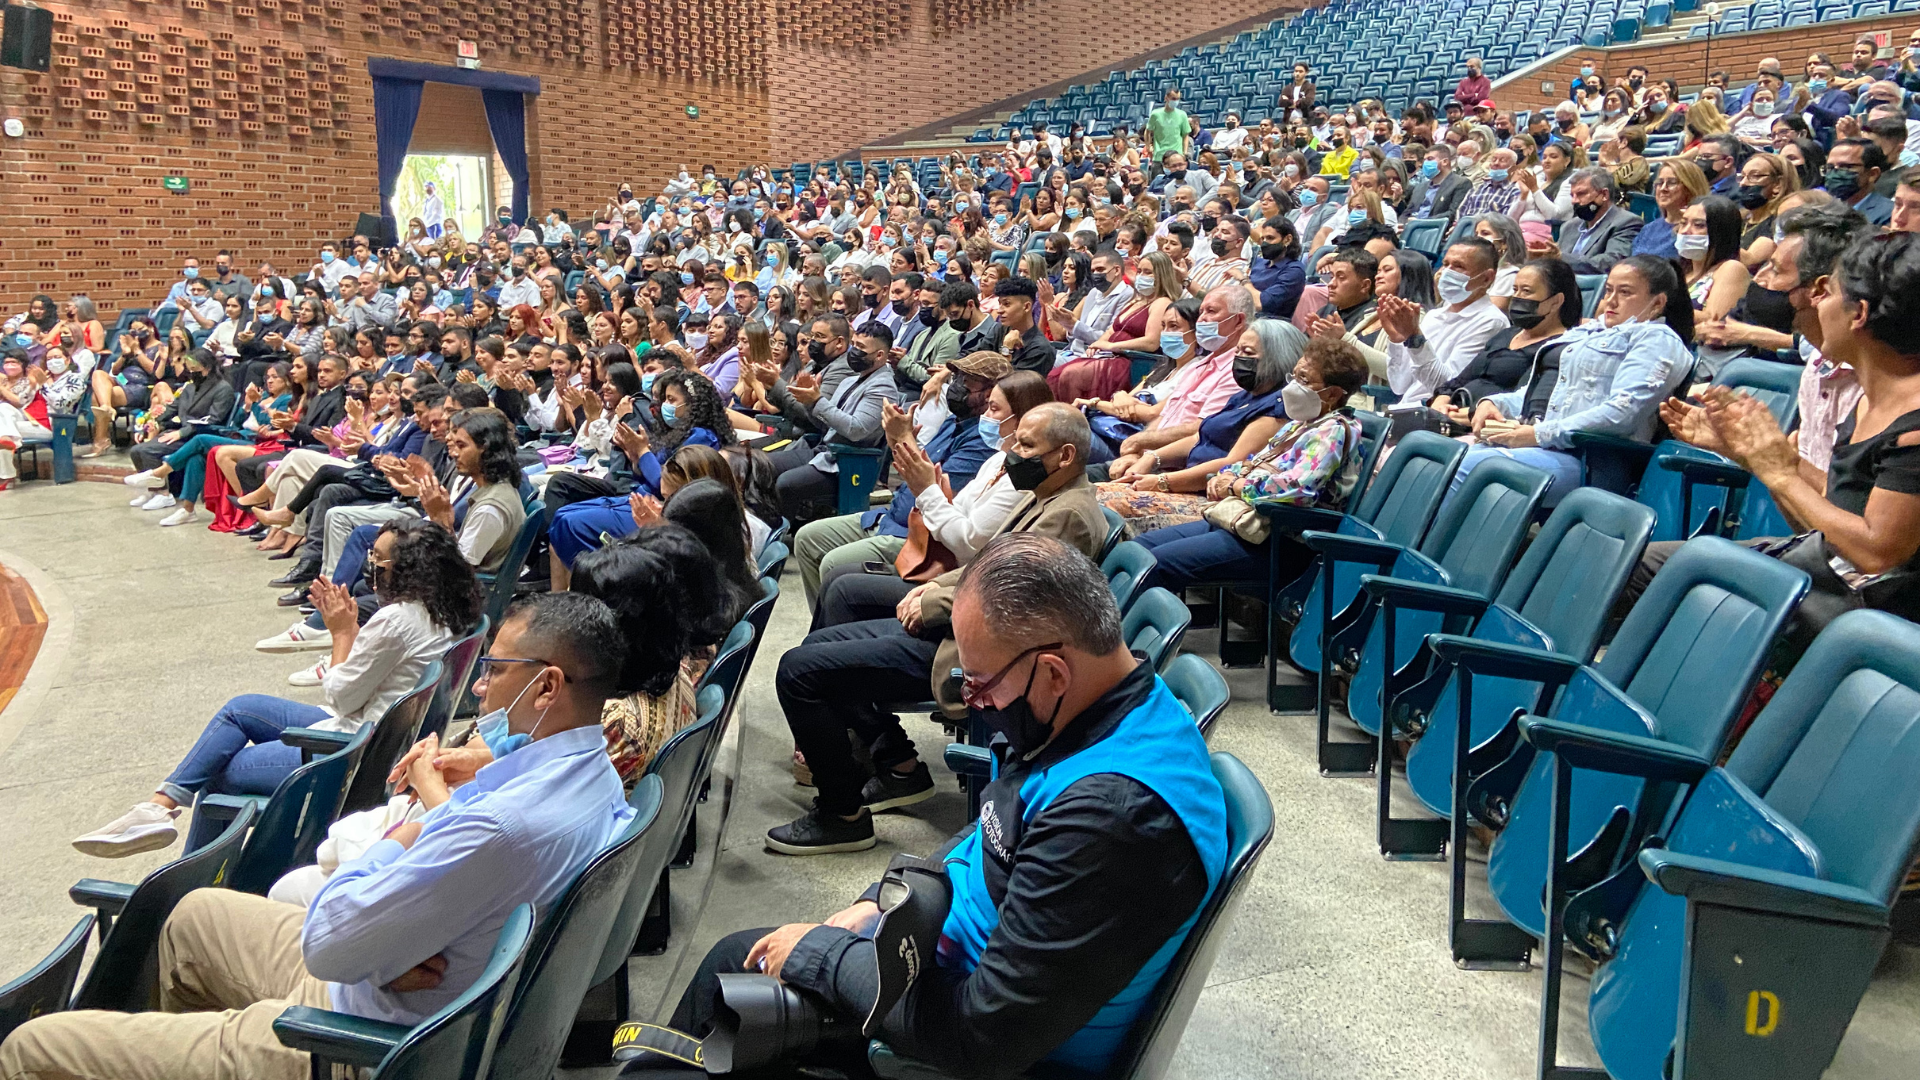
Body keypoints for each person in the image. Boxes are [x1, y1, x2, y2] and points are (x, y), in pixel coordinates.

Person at [625, 534, 1226, 1080]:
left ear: (1052, 672)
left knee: (731, 982)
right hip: (936, 969)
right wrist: (879, 902)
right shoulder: (1098, 712)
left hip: (961, 1044)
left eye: (980, 684)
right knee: (736, 969)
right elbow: (987, 833)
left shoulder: (1111, 817)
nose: (973, 702)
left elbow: (980, 1038)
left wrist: (820, 956)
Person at [6, 590, 634, 1080]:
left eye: (495, 669)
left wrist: (408, 830)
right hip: (413, 994)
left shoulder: (497, 826)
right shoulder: (597, 775)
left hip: (357, 1041)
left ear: (547, 685)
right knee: (194, 915)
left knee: (32, 1047)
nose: (479, 685)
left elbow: (329, 942)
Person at [767, 403, 1103, 853]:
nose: (1013, 453)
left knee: (799, 672)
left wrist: (934, 604)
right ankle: (887, 762)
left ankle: (842, 814)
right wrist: (933, 588)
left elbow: (1008, 600)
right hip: (963, 628)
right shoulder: (1043, 495)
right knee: (818, 644)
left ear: (1065, 456)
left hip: (977, 653)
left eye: (1026, 445)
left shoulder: (1069, 515)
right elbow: (987, 566)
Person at [71, 518, 483, 856]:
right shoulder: (448, 613)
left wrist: (342, 633)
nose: (370, 565)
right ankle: (159, 807)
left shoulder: (396, 620)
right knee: (241, 709)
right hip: (381, 734)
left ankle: (190, 883)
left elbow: (340, 697)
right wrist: (353, 634)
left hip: (352, 751)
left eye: (377, 559)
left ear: (407, 569)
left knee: (219, 774)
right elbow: (379, 680)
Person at [1634, 230, 1920, 651]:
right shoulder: (1870, 399)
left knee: (1678, 589)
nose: (1816, 304)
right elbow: (1827, 521)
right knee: (1629, 562)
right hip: (1826, 572)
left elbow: (1877, 553)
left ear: (1858, 313)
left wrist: (1779, 473)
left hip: (1871, 617)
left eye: (1828, 293)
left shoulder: (1913, 427)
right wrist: (1753, 453)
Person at [812, 370, 1055, 628]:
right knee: (827, 563)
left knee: (841, 583)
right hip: (919, 535)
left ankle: (830, 644)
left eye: (994, 409)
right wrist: (905, 453)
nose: (985, 416)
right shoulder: (997, 458)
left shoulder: (1019, 479)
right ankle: (822, 641)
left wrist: (926, 486)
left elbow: (966, 543)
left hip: (952, 572)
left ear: (1023, 417)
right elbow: (949, 507)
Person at [1131, 337, 1368, 594]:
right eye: (1294, 376)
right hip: (1245, 522)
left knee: (1156, 564)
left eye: (1304, 379)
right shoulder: (1301, 423)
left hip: (1280, 541)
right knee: (1138, 549)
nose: (1293, 386)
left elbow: (1298, 489)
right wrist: (1224, 476)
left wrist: (1236, 485)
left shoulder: (1331, 432)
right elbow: (1255, 462)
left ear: (1332, 394)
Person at [1455, 255, 1697, 505]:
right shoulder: (1588, 332)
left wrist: (1537, 434)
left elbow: (1622, 413)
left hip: (1588, 461)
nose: (1611, 300)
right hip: (1538, 444)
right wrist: (1494, 403)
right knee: (1444, 457)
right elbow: (1542, 392)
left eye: (1625, 292)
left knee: (1473, 466)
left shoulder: (1657, 340)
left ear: (1657, 302)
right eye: (1609, 290)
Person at [793, 351, 1006, 606]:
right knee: (807, 538)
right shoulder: (953, 421)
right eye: (957, 377)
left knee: (833, 564)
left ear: (990, 392)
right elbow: (912, 467)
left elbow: (935, 490)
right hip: (889, 515)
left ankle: (836, 622)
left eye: (967, 380)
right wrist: (898, 441)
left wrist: (904, 439)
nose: (957, 385)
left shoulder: (984, 442)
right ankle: (824, 619)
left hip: (917, 536)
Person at [1097, 320, 1307, 535]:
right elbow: (1200, 437)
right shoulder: (1244, 396)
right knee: (1090, 493)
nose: (1239, 358)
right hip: (1180, 477)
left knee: (1103, 503)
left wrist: (1160, 481)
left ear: (1277, 358)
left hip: (1211, 496)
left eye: (1248, 352)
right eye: (1237, 351)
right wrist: (1151, 459)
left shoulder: (1277, 408)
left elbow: (1232, 463)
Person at [760, 315, 900, 522]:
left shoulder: (883, 387)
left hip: (847, 462)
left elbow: (855, 430)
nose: (854, 351)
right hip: (823, 451)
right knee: (760, 466)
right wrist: (809, 402)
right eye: (854, 344)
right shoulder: (851, 380)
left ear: (879, 355)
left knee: (785, 483)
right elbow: (824, 424)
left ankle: (782, 531)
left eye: (861, 347)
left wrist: (817, 401)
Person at [1428, 257, 1580, 423]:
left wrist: (1467, 414)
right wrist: (1441, 402)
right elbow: (1459, 380)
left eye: (1526, 291)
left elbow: (1522, 401)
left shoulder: (1558, 348)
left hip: (1487, 424)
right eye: (1515, 289)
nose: (1517, 297)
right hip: (1453, 412)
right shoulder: (1507, 334)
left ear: (1555, 301)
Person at [1379, 238, 1511, 404]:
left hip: (1435, 413)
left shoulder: (1491, 322)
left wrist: (1415, 339)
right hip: (1405, 407)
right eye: (1445, 264)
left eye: (1458, 266)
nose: (1446, 273)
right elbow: (1399, 386)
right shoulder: (1434, 316)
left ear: (1486, 278)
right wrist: (1397, 340)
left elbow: (1446, 389)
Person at [1682, 195, 1757, 380]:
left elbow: (1712, 323)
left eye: (1698, 225)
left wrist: (1662, 308)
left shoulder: (1731, 268)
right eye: (1683, 223)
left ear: (1721, 232)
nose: (1686, 231)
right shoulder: (1680, 271)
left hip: (1699, 363)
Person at [1539, 168, 1644, 274]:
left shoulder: (1627, 222)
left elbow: (1611, 262)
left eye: (1581, 194)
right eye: (1572, 195)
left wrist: (1562, 258)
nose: (1574, 201)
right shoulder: (1569, 226)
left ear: (1604, 195)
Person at [1633, 159, 1709, 260]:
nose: (1663, 188)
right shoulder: (1648, 229)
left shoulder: (1695, 232)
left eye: (1672, 183)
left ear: (1690, 188)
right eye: (1660, 183)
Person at [1824, 137, 1895, 226]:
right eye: (1830, 167)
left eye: (1846, 167)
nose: (1835, 173)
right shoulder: (1822, 209)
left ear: (1873, 174)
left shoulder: (1889, 214)